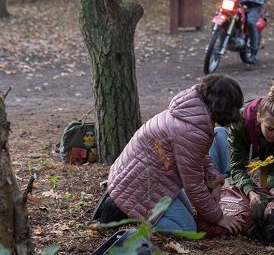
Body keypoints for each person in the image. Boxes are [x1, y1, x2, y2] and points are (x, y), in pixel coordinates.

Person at [92, 74, 246, 235]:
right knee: (188, 229)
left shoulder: (192, 111)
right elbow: (193, 185)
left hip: (144, 176)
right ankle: (124, 210)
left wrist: (215, 179)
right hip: (143, 184)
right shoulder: (191, 129)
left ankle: (122, 203)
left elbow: (197, 154)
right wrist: (219, 217)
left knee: (188, 213)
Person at [222, 79, 274, 208]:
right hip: (244, 141)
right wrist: (249, 191)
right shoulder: (239, 124)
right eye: (270, 128)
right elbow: (237, 165)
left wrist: (273, 188)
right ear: (258, 117)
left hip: (265, 147)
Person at [195, 185, 274, 246]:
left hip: (210, 188)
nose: (272, 204)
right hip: (229, 181)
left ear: (265, 222)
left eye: (271, 210)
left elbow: (201, 227)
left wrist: (217, 217)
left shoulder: (241, 221)